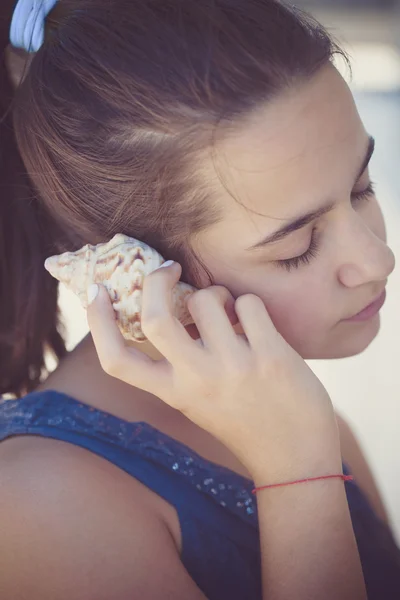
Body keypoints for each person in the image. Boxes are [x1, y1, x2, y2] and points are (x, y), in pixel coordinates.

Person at [1, 0, 400, 598]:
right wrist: (297, 475)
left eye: (362, 188)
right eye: (297, 246)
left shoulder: (293, 417)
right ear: (143, 276)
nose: (378, 260)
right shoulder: (36, 504)